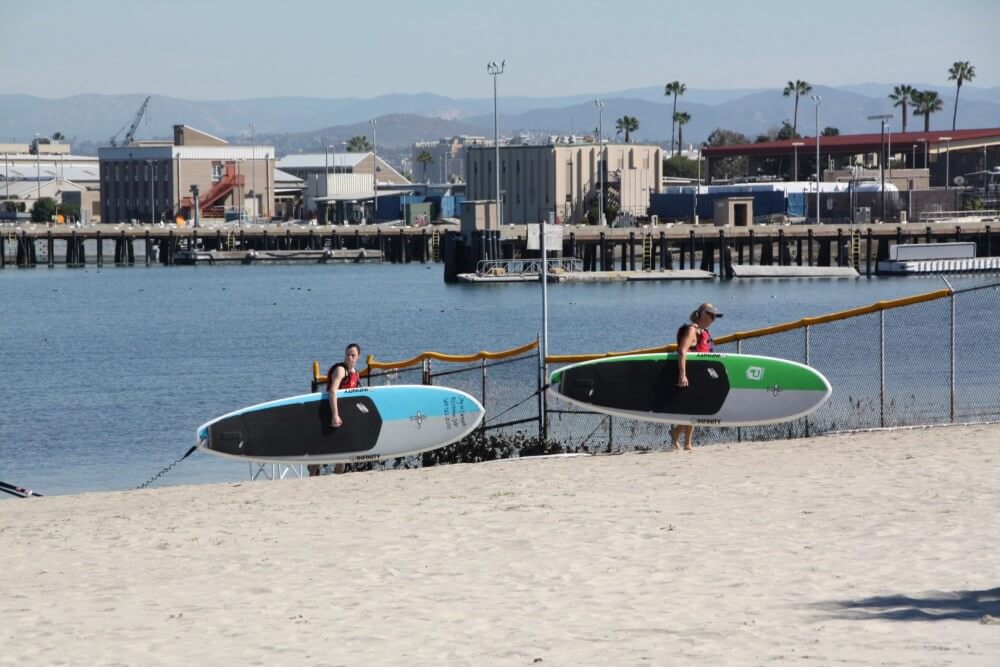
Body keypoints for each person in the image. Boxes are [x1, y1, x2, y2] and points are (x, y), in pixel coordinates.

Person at [670, 303, 722, 451]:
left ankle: (684, 439)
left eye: (715, 317)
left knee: (696, 409)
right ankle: (680, 437)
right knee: (694, 409)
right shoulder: (692, 330)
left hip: (700, 374)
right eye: (712, 316)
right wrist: (682, 375)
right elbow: (682, 351)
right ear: (704, 314)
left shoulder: (703, 331)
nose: (713, 320)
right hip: (689, 374)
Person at [308, 343, 362, 477]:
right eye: (348, 354)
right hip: (331, 412)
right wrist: (335, 415)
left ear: (358, 356)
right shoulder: (341, 370)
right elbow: (333, 391)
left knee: (341, 459)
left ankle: (334, 481)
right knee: (325, 449)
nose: (350, 357)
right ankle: (313, 470)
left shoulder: (356, 373)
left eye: (353, 355)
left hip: (345, 415)